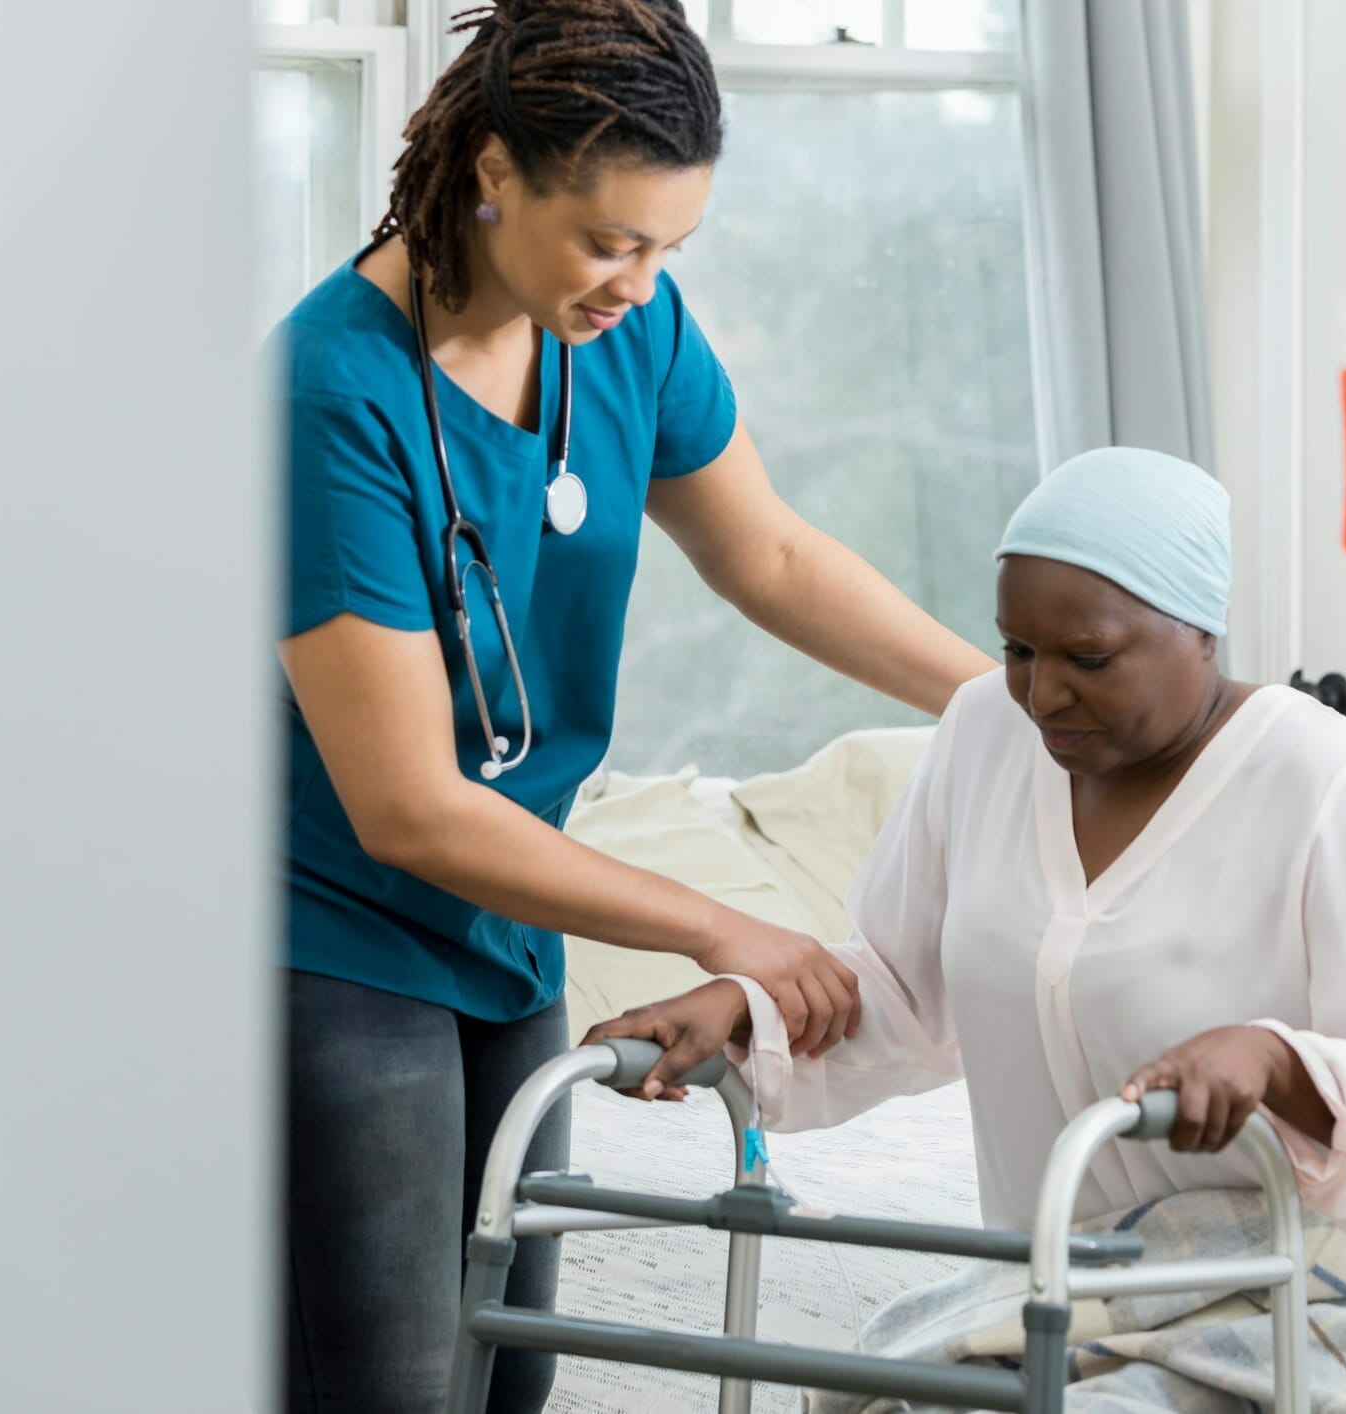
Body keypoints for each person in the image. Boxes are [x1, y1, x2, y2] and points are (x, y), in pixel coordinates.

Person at [272, 3, 994, 1409]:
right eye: (609, 240)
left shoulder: (623, 329)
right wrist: (717, 922)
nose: (640, 282)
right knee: (391, 1381)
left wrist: (1007, 700)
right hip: (331, 933)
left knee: (513, 1375)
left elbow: (768, 554)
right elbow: (409, 804)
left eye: (669, 248)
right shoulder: (326, 393)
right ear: (491, 169)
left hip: (509, 935)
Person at [589, 444, 1346, 1247]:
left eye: (1088, 660)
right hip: (1066, 1288)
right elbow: (900, 991)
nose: (1042, 694)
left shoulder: (1326, 781)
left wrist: (1270, 1062)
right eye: (1019, 649)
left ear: (1201, 630)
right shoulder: (985, 727)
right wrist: (745, 1006)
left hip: (1311, 1277)